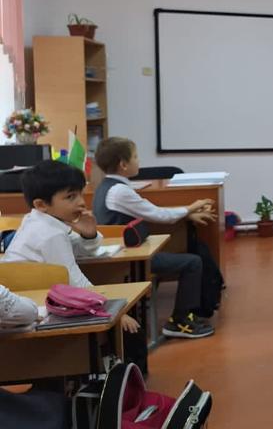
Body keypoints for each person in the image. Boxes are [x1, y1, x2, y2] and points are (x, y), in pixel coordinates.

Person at [93, 137, 217, 339]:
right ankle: (179, 321)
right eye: (135, 157)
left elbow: (151, 213)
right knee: (193, 262)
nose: (139, 161)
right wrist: (191, 207)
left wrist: (186, 215)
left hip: (125, 252)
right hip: (130, 260)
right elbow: (159, 215)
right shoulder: (119, 191)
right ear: (123, 164)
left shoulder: (107, 187)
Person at [3, 161, 140, 334]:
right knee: (126, 328)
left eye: (80, 194)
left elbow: (80, 251)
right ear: (41, 205)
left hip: (31, 299)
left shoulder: (41, 220)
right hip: (28, 312)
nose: (81, 202)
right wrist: (113, 311)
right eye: (70, 197)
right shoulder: (49, 233)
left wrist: (88, 235)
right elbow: (73, 279)